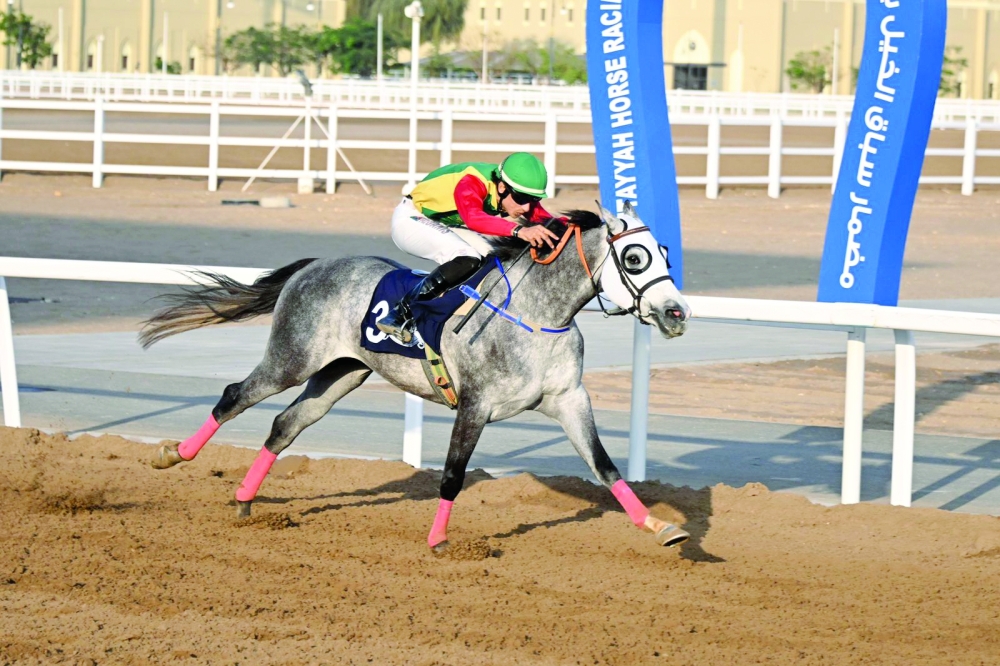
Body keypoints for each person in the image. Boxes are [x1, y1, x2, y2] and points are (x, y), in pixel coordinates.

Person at [377, 152, 561, 343]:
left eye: (532, 199)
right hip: (411, 219)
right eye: (521, 198)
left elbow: (547, 220)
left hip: (444, 223)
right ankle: (401, 314)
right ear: (502, 186)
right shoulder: (472, 181)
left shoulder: (508, 189)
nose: (526, 208)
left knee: (494, 258)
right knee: (468, 258)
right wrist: (519, 231)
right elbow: (473, 218)